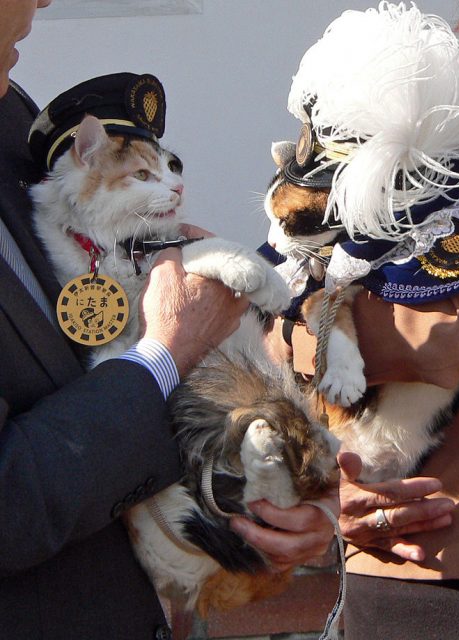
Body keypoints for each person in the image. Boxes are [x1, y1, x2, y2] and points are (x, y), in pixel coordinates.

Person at [0, 2, 337, 638]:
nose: (43, 2)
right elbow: (13, 501)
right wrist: (165, 354)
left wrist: (280, 505)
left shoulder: (13, 113)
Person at [276, 0, 459, 637]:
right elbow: (298, 254)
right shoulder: (456, 99)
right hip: (391, 552)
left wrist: (317, 332)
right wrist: (336, 481)